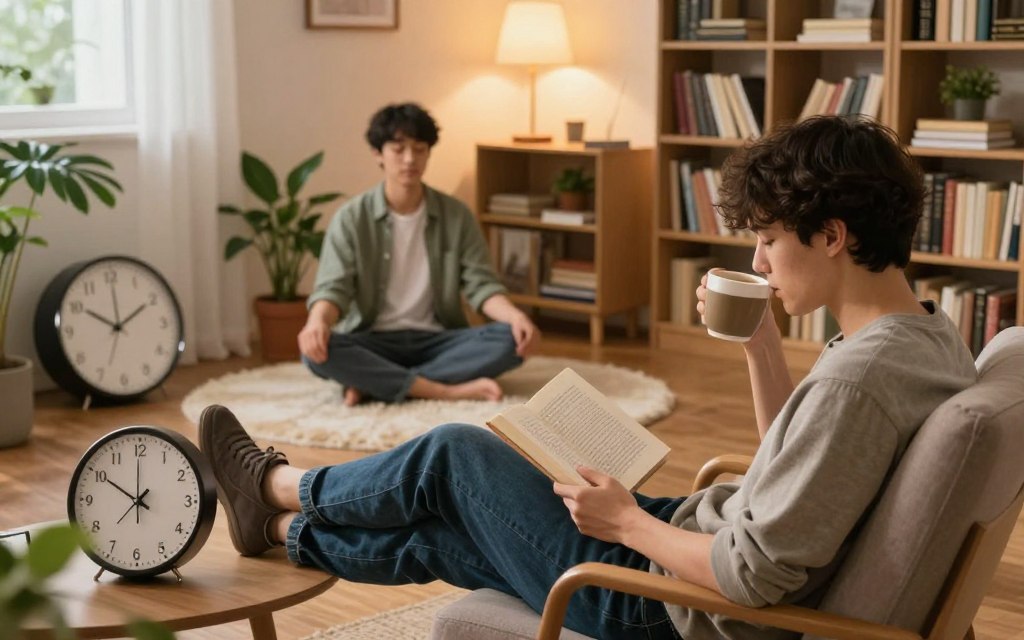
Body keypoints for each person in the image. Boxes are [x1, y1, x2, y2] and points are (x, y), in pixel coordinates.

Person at [201, 116, 977, 640]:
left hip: (664, 601)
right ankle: (275, 530)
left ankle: (274, 485)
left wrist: (625, 523)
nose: (759, 263)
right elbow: (798, 472)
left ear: (833, 235)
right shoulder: (927, 340)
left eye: (770, 240)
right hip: (693, 541)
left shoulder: (856, 382)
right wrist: (760, 345)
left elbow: (752, 574)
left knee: (453, 456)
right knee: (446, 532)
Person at [298, 102, 540, 406]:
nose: (410, 159)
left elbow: (483, 286)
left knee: (509, 340)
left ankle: (375, 383)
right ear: (378, 154)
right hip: (374, 339)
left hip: (439, 339)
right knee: (317, 350)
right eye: (398, 149)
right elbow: (333, 288)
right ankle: (442, 389)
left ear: (428, 152)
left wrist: (516, 316)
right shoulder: (351, 218)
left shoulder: (456, 215)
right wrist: (316, 322)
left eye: (420, 148)